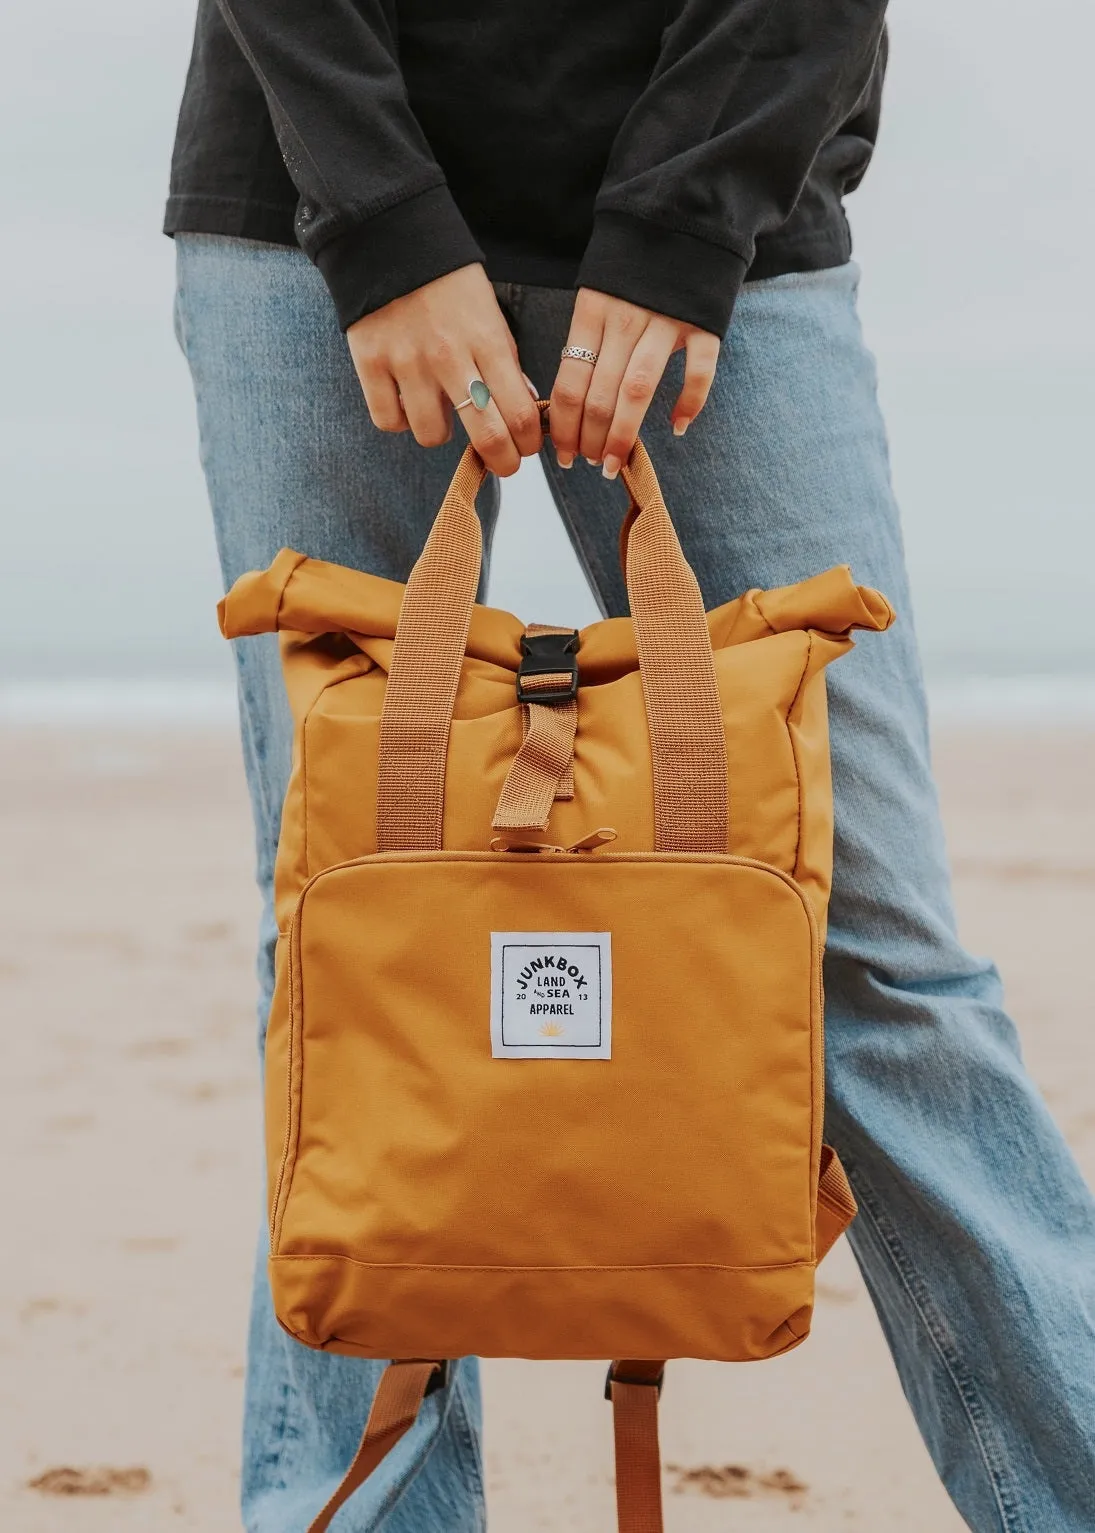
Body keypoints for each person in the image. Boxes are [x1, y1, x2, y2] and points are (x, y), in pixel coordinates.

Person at [166, 2, 1095, 1528]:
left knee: (862, 938)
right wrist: (387, 224)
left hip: (722, 229)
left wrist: (676, 224)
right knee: (350, 926)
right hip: (319, 223)